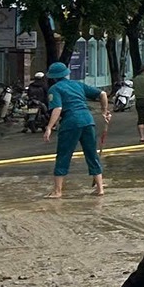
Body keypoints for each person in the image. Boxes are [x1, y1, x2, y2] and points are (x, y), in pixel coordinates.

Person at [42, 62, 106, 198]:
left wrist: (49, 127)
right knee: (92, 153)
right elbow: (103, 94)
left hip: (71, 122)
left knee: (64, 155)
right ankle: (100, 188)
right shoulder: (78, 85)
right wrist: (105, 112)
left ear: (53, 77)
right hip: (88, 120)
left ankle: (57, 191)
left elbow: (58, 108)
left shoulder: (55, 89)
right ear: (66, 74)